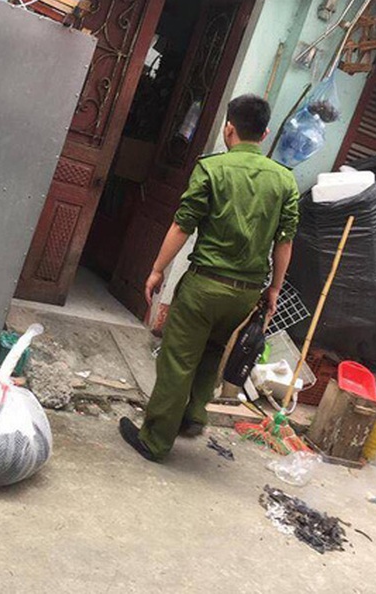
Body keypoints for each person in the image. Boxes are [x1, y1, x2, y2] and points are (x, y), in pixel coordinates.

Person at [119, 94, 300, 462]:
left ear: (228, 128)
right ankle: (194, 415)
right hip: (246, 292)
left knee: (177, 359)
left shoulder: (212, 169)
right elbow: (285, 242)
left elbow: (182, 224)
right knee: (212, 349)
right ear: (264, 134)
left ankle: (154, 440)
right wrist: (275, 288)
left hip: (205, 285)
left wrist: (157, 269)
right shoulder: (284, 181)